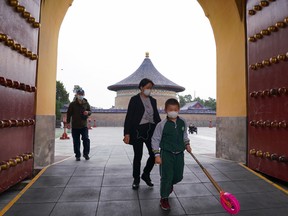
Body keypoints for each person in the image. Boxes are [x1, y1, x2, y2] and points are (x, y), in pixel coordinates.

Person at [152, 98, 192, 210]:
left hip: (180, 154)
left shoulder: (182, 122)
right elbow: (155, 139)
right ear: (166, 110)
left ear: (178, 109)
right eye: (170, 109)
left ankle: (169, 185)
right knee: (166, 177)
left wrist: (187, 144)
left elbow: (184, 135)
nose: (173, 111)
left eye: (175, 109)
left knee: (178, 176)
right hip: (166, 154)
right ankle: (164, 198)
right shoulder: (162, 125)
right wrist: (157, 155)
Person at [123, 78, 161, 190]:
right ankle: (136, 179)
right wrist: (127, 133)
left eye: (151, 88)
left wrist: (162, 128)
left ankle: (145, 174)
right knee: (138, 156)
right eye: (147, 87)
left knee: (154, 154)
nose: (149, 90)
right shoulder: (134, 99)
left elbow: (156, 117)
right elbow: (129, 117)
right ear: (141, 87)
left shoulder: (153, 101)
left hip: (151, 131)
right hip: (138, 131)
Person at [66, 89, 91, 161]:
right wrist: (68, 123)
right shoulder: (72, 104)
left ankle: (86, 154)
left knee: (86, 139)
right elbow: (69, 114)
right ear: (77, 95)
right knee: (76, 141)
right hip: (75, 126)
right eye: (79, 94)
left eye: (82, 94)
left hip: (84, 125)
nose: (81, 96)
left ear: (84, 94)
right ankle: (77, 155)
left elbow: (90, 111)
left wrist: (87, 112)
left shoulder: (86, 103)